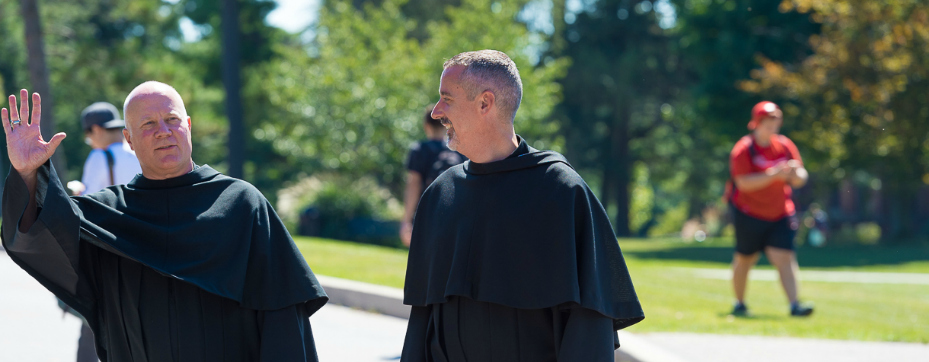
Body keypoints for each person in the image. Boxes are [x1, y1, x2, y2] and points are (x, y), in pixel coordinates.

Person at [1, 82, 328, 362]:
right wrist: (28, 175)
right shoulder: (109, 215)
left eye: (172, 120)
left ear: (188, 125)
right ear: (129, 139)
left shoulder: (242, 205)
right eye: (148, 124)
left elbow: (283, 315)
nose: (164, 131)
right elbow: (38, 237)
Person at [401, 50, 644, 362]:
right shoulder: (440, 196)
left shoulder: (561, 192)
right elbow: (422, 322)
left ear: (485, 103)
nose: (436, 112)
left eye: (447, 99)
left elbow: (589, 326)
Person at [65, 101, 143, 362]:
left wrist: (76, 194)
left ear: (95, 130)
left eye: (88, 136)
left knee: (94, 317)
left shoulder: (99, 157)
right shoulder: (137, 154)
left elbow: (87, 202)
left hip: (106, 244)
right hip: (138, 243)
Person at [726, 100, 814, 317]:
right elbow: (743, 183)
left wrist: (794, 174)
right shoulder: (744, 149)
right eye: (767, 122)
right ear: (756, 123)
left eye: (776, 122)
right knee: (745, 258)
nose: (772, 127)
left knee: (784, 257)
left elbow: (802, 176)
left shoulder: (784, 145)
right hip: (748, 212)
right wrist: (773, 175)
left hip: (779, 212)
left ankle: (795, 305)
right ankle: (739, 302)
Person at [399, 107, 466, 246]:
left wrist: (406, 220)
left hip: (426, 215)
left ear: (426, 126)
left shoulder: (419, 149)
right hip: (454, 217)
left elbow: (414, 184)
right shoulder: (459, 151)